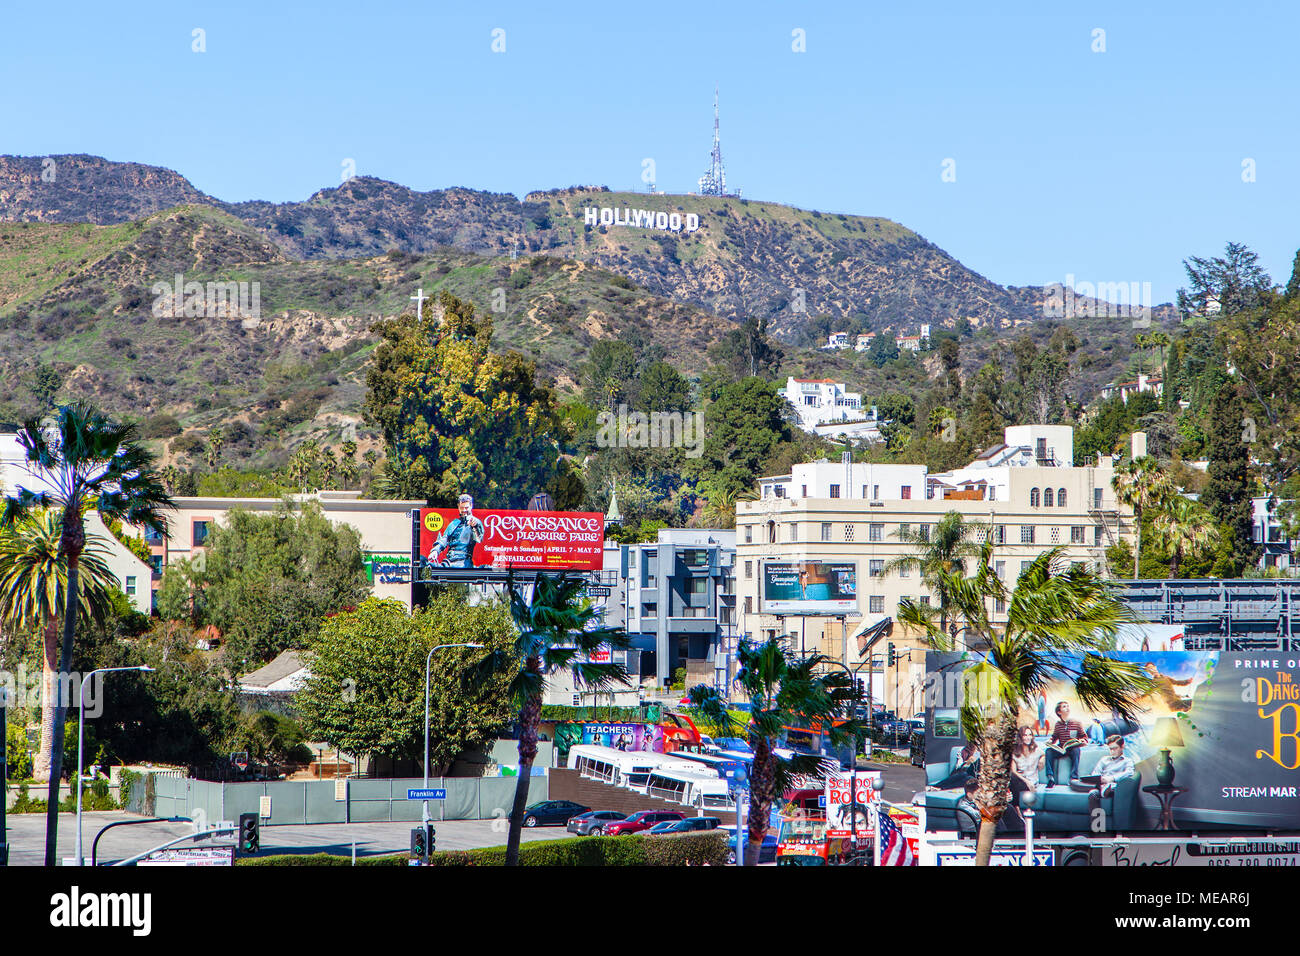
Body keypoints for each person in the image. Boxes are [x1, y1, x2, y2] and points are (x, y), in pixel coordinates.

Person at [1079, 735, 1136, 814]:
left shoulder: (1127, 761)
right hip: (1099, 785)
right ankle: (1098, 825)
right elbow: (1095, 773)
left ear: (1122, 747)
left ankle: (1106, 789)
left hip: (1113, 785)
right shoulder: (1104, 759)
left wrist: (1111, 778)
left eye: (1115, 748)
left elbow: (1130, 772)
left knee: (1110, 787)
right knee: (1077, 784)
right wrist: (1100, 780)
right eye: (1110, 749)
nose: (1112, 751)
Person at [431, 494, 485, 568]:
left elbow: (479, 539)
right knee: (428, 567)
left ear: (471, 506)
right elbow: (445, 538)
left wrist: (474, 527)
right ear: (458, 507)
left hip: (463, 562)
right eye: (461, 508)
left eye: (466, 507)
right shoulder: (454, 523)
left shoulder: (476, 522)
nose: (464, 510)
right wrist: (435, 551)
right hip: (449, 561)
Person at [1045, 701, 1088, 787]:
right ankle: (1050, 777)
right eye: (1064, 707)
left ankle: (1073, 778)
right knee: (1048, 751)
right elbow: (1054, 737)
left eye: (1068, 706)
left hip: (1072, 748)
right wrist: (1050, 741)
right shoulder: (1058, 724)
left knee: (1076, 750)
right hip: (1062, 748)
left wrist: (1083, 741)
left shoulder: (1077, 723)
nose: (1067, 708)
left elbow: (1084, 737)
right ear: (1059, 712)